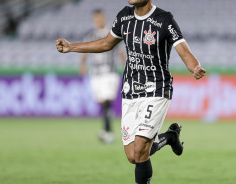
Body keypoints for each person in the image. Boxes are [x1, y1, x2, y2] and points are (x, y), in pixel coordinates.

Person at [56, 0, 206, 183]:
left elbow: (182, 49)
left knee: (141, 147)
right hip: (130, 91)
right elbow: (106, 43)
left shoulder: (164, 19)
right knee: (133, 155)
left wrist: (195, 67)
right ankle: (170, 137)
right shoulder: (124, 16)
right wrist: (72, 47)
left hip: (157, 89)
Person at [80, 9, 125, 144]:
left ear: (104, 18)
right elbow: (85, 52)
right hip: (96, 74)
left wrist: (126, 66)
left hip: (110, 73)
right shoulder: (90, 35)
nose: (98, 20)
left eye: (100, 18)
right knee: (102, 102)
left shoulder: (113, 34)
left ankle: (108, 131)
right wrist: (82, 64)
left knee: (106, 100)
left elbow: (120, 52)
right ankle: (107, 130)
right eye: (96, 18)